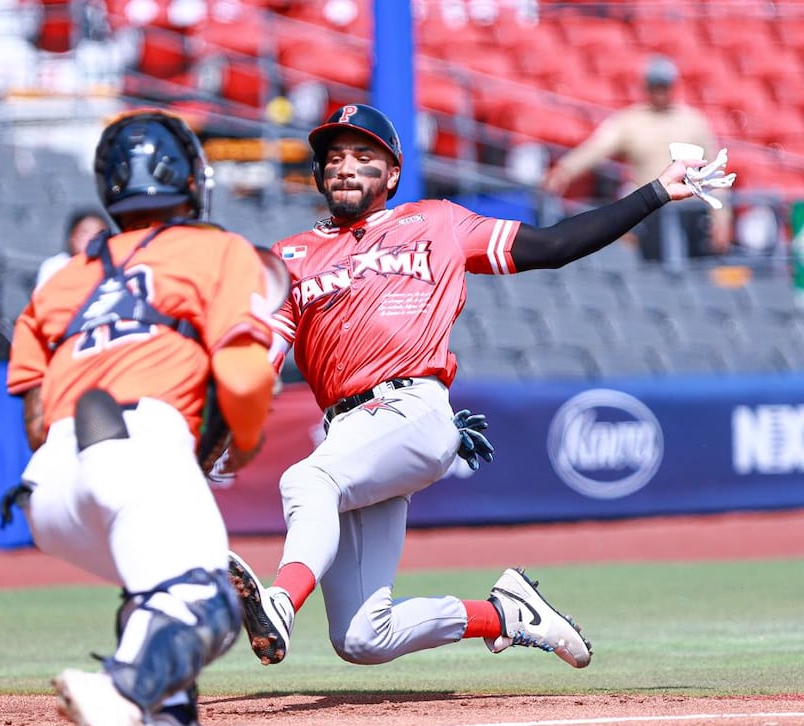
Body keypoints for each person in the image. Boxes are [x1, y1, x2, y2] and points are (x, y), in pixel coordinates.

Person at [226, 102, 735, 672]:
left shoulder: (436, 222)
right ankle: (508, 613)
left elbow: (554, 245)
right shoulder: (288, 259)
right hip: (351, 434)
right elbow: (258, 362)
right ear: (318, 175)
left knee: (307, 478)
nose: (345, 167)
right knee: (363, 637)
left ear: (392, 174)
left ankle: (279, 603)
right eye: (334, 158)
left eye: (363, 156)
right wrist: (222, 424)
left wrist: (656, 193)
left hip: (409, 406)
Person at [6, 109, 279, 726]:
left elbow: (37, 416)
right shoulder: (216, 249)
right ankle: (121, 693)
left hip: (50, 485)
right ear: (190, 180)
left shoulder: (64, 279)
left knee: (155, 586)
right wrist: (243, 441)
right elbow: (244, 377)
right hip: (137, 440)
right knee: (208, 599)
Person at [541, 55, 733, 263]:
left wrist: (721, 219)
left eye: (664, 85)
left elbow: (713, 172)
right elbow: (596, 149)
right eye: (655, 85)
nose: (660, 91)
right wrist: (565, 170)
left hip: (689, 214)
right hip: (652, 212)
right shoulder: (631, 121)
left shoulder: (693, 122)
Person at [33, 207, 109, 291]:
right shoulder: (56, 265)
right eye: (85, 232)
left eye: (99, 233)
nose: (92, 238)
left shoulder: (114, 264)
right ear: (73, 237)